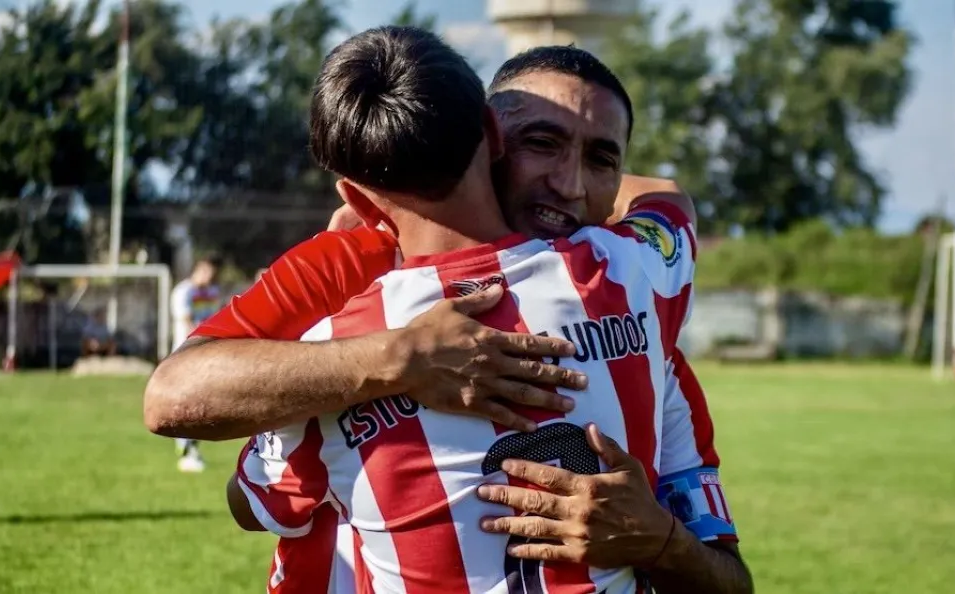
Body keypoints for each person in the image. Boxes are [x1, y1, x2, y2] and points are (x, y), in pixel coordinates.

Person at [184, 27, 749, 593]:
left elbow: (251, 501)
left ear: (353, 195)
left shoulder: (321, 347)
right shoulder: (640, 277)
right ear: (492, 136)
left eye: (601, 158)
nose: (571, 185)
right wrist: (395, 356)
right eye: (543, 143)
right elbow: (669, 201)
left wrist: (662, 542)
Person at [168, 255, 223, 472]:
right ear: (199, 269)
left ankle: (190, 447)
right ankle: (184, 445)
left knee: (204, 403)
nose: (210, 276)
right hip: (185, 354)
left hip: (206, 354)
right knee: (186, 402)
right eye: (207, 271)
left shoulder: (212, 292)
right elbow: (187, 321)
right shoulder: (184, 292)